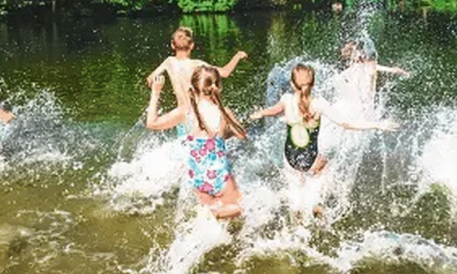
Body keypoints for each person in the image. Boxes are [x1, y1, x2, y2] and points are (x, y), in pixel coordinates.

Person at [250, 63, 399, 216]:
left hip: (289, 158)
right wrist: (377, 124)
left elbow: (273, 111)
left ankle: (297, 214)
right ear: (313, 83)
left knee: (295, 185)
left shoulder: (287, 99)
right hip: (310, 160)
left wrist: (261, 113)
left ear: (291, 84)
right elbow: (346, 124)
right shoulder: (318, 104)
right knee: (325, 164)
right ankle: (314, 202)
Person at [146, 65, 246, 220]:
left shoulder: (186, 112)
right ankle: (215, 215)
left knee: (213, 211)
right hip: (220, 173)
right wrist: (223, 134)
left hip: (197, 175)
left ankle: (209, 218)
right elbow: (241, 135)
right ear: (218, 86)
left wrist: (156, 91)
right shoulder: (225, 112)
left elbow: (152, 123)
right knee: (240, 208)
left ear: (193, 88)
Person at [147, 26, 247, 111]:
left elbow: (150, 79)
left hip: (180, 115)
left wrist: (159, 93)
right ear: (192, 45)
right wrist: (237, 56)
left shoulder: (169, 62)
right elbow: (225, 72)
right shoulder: (197, 64)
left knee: (184, 134)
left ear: (172, 45)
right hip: (198, 114)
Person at [337, 41, 410, 119]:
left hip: (363, 108)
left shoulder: (364, 68)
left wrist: (399, 71)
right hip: (361, 108)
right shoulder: (351, 72)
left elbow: (391, 70)